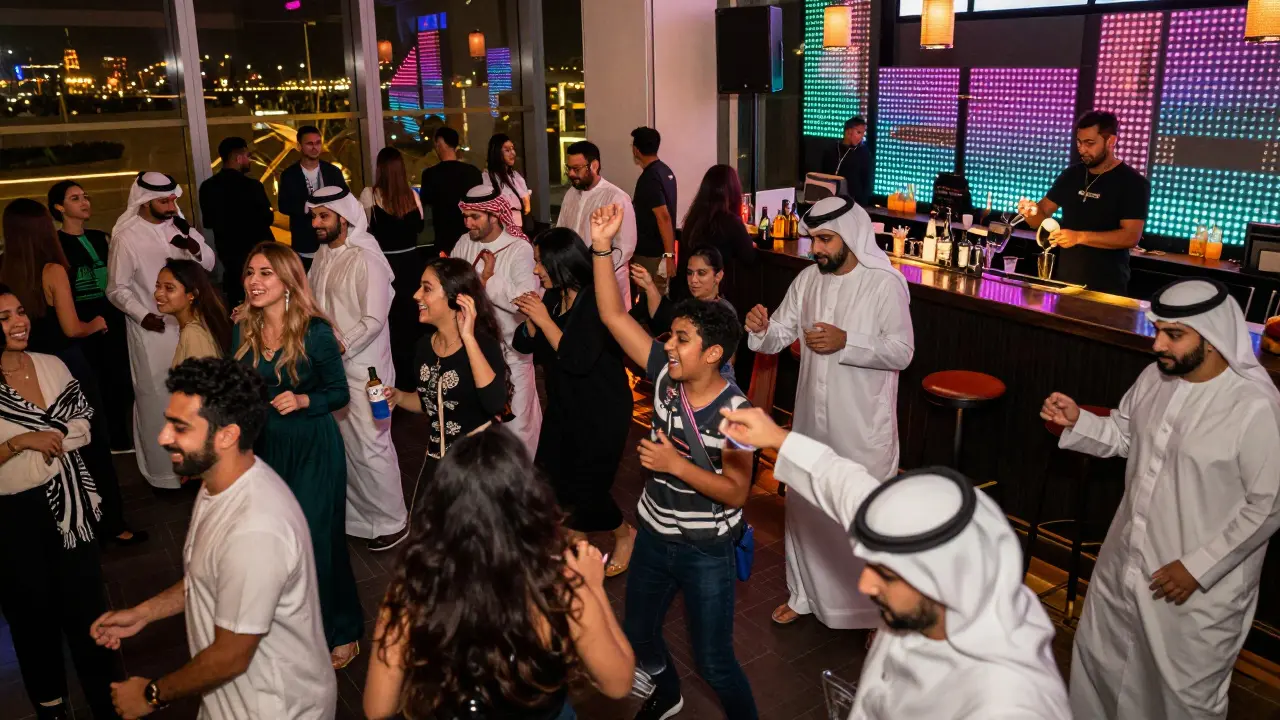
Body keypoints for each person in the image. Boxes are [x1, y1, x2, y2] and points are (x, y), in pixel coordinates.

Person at [716, 406, 1072, 719]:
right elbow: (844, 485)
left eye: (886, 574)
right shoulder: (938, 594)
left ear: (944, 580)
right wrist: (777, 437)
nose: (866, 585)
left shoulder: (1006, 703)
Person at [1041, 277, 1280, 720]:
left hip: (1198, 591)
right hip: (1125, 563)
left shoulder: (1255, 406)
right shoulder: (1155, 377)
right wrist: (1079, 421)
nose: (1158, 345)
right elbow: (1127, 435)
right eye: (1158, 331)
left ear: (1211, 338)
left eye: (1174, 334)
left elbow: (1268, 505)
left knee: (1180, 698)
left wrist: (1198, 567)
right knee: (1101, 669)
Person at [89, 357, 337, 720]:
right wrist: (145, 612)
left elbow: (230, 656)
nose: (163, 437)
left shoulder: (255, 529)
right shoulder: (218, 483)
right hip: (233, 702)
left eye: (180, 427)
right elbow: (208, 575)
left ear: (227, 435)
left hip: (273, 708)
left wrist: (151, 695)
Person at [589, 203, 759, 720]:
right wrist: (602, 247)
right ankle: (666, 691)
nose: (669, 345)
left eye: (682, 339)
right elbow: (613, 316)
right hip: (654, 534)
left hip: (705, 548)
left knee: (715, 661)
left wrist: (674, 464)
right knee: (639, 633)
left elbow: (737, 492)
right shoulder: (665, 372)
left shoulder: (738, 414)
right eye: (671, 336)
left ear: (713, 355)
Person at [363, 427, 635, 720]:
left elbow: (377, 709)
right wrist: (593, 588)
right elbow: (618, 684)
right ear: (527, 503)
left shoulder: (411, 589)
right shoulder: (559, 587)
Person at [746, 195, 914, 629]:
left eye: (825, 240)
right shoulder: (808, 280)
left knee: (863, 519)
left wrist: (847, 342)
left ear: (851, 236)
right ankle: (804, 594)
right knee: (808, 512)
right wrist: (761, 330)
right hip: (810, 423)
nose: (816, 248)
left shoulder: (885, 284)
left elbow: (902, 351)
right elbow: (779, 333)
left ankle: (877, 614)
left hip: (861, 425)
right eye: (814, 239)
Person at [232, 241, 364, 669]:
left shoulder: (315, 331)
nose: (254, 281)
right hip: (266, 448)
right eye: (250, 272)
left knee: (318, 541)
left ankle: (342, 630)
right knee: (278, 545)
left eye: (265, 273)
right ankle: (295, 630)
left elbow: (340, 393)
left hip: (313, 446)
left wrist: (305, 400)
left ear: (288, 281)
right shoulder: (244, 328)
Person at [0, 286, 124, 720]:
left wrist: (52, 436)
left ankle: (108, 700)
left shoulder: (52, 364)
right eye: (4, 317)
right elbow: (64, 429)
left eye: (20, 312)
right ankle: (51, 706)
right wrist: (20, 442)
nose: (19, 322)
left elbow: (83, 421)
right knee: (31, 617)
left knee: (88, 609)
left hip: (71, 507)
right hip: (14, 517)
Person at [4, 198, 142, 546]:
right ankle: (110, 524)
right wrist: (96, 323)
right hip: (64, 365)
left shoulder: (4, 268)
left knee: (44, 442)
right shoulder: (52, 269)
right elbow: (71, 328)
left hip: (24, 366)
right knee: (90, 441)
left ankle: (64, 519)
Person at [511, 228, 634, 569]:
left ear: (561, 263)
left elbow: (577, 359)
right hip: (565, 406)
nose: (536, 270)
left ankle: (625, 535)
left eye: (540, 263)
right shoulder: (554, 296)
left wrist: (543, 320)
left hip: (601, 411)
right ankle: (576, 543)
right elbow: (524, 345)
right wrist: (532, 323)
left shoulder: (596, 301)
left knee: (588, 490)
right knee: (551, 482)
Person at [305, 186, 409, 551]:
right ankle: (360, 519)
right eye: (314, 216)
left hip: (367, 371)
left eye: (323, 216)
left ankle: (393, 521)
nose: (316, 223)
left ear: (345, 219)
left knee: (371, 445)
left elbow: (374, 319)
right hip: (332, 369)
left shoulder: (367, 257)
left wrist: (340, 345)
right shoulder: (322, 255)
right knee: (345, 445)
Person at [106, 172, 215, 490]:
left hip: (191, 326)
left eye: (173, 200)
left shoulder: (178, 225)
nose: (171, 206)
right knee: (158, 399)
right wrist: (142, 315)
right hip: (152, 332)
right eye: (164, 201)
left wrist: (192, 245)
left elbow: (208, 263)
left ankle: (198, 467)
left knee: (197, 397)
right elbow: (116, 288)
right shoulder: (126, 237)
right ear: (144, 201)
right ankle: (164, 475)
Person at [384, 258, 510, 467]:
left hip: (477, 466)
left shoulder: (483, 345)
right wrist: (399, 397)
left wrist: (468, 338)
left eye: (427, 289)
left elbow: (495, 403)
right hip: (438, 463)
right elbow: (429, 402)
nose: (416, 295)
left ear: (455, 297)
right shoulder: (424, 346)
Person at [451, 185, 542, 456]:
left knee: (518, 425)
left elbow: (526, 301)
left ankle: (522, 477)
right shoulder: (464, 242)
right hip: (474, 349)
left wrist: (488, 281)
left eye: (475, 217)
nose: (468, 223)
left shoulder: (519, 249)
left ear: (494, 215)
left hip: (512, 351)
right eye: (465, 216)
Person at [1017, 110, 1150, 296]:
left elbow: (1130, 236)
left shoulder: (1133, 183)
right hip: (1065, 284)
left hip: (1107, 289)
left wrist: (1079, 237)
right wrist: (1030, 211)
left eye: (1090, 143)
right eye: (1079, 142)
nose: (1082, 149)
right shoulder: (1071, 175)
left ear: (1111, 141)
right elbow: (1040, 218)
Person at [48, 180, 134, 455]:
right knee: (93, 381)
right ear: (59, 207)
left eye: (85, 196)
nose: (84, 202)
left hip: (113, 316)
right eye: (75, 198)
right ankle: (101, 442)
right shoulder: (55, 244)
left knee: (121, 378)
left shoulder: (101, 237)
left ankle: (121, 438)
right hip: (81, 321)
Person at [359, 146, 426, 384]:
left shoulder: (369, 194)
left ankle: (395, 380)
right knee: (413, 321)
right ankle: (415, 379)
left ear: (380, 169)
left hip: (386, 265)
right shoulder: (412, 195)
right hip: (412, 265)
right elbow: (420, 226)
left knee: (390, 323)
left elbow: (362, 229)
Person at [631, 246, 737, 384]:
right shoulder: (691, 304)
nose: (693, 280)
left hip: (712, 384)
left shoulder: (724, 311)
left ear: (718, 276)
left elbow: (727, 362)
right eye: (690, 273)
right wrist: (649, 286)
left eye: (701, 273)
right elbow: (662, 320)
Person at [555, 140, 637, 309]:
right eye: (568, 168)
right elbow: (561, 232)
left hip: (607, 280)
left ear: (594, 166)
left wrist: (597, 270)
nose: (571, 174)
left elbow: (625, 247)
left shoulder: (616, 198)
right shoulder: (570, 194)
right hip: (574, 280)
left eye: (576, 169)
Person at [199, 136, 275, 308]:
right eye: (247, 156)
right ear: (238, 158)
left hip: (229, 258)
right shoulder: (252, 186)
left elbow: (208, 222)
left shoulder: (207, 187)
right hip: (257, 253)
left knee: (237, 307)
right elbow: (268, 218)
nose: (249, 160)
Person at [675, 164, 755, 303]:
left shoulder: (694, 218)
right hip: (716, 295)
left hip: (688, 292)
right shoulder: (730, 221)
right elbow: (749, 257)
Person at [278, 125, 348, 269]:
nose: (315, 147)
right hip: (305, 243)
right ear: (299, 146)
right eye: (309, 144)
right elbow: (283, 205)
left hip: (332, 242)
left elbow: (345, 198)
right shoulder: (289, 175)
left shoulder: (333, 171)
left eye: (318, 143)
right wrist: (306, 207)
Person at [153, 259, 230, 366]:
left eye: (169, 288)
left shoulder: (194, 335)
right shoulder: (193, 327)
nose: (157, 294)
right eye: (158, 286)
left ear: (192, 295)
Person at [420, 126, 483, 255]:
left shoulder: (430, 175)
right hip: (471, 232)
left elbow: (426, 202)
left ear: (440, 144)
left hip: (443, 235)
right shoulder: (473, 172)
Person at [630, 127, 677, 296]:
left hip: (650, 255)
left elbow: (663, 217)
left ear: (636, 150)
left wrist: (669, 255)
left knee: (651, 299)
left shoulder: (649, 178)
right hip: (659, 253)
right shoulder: (665, 171)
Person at [483, 133, 532, 230]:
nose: (513, 153)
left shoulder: (515, 176)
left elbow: (527, 207)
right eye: (507, 150)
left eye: (512, 148)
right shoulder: (488, 177)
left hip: (518, 226)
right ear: (497, 153)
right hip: (499, 229)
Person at [821, 116, 872, 207]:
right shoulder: (832, 150)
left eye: (863, 133)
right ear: (848, 132)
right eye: (859, 132)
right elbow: (823, 175)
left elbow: (867, 181)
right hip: (831, 202)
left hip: (855, 204)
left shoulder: (863, 152)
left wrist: (863, 205)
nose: (861, 137)